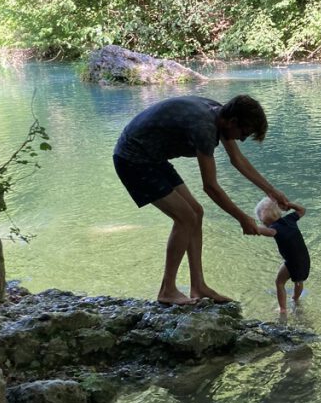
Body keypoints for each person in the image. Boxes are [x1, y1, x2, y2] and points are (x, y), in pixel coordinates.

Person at [113, 94, 297, 305]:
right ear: (233, 122)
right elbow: (210, 187)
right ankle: (167, 290)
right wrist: (242, 218)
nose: (242, 139)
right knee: (185, 218)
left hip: (153, 157)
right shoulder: (205, 128)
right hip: (133, 159)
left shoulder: (220, 113)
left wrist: (271, 192)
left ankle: (198, 286)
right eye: (244, 133)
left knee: (196, 213)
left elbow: (238, 160)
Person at [255, 196, 309, 315]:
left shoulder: (274, 229)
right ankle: (295, 299)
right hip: (304, 259)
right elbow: (302, 210)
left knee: (279, 282)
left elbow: (265, 231)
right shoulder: (290, 218)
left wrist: (253, 227)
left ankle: (283, 309)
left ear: (264, 221)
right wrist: (289, 204)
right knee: (298, 281)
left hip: (292, 262)